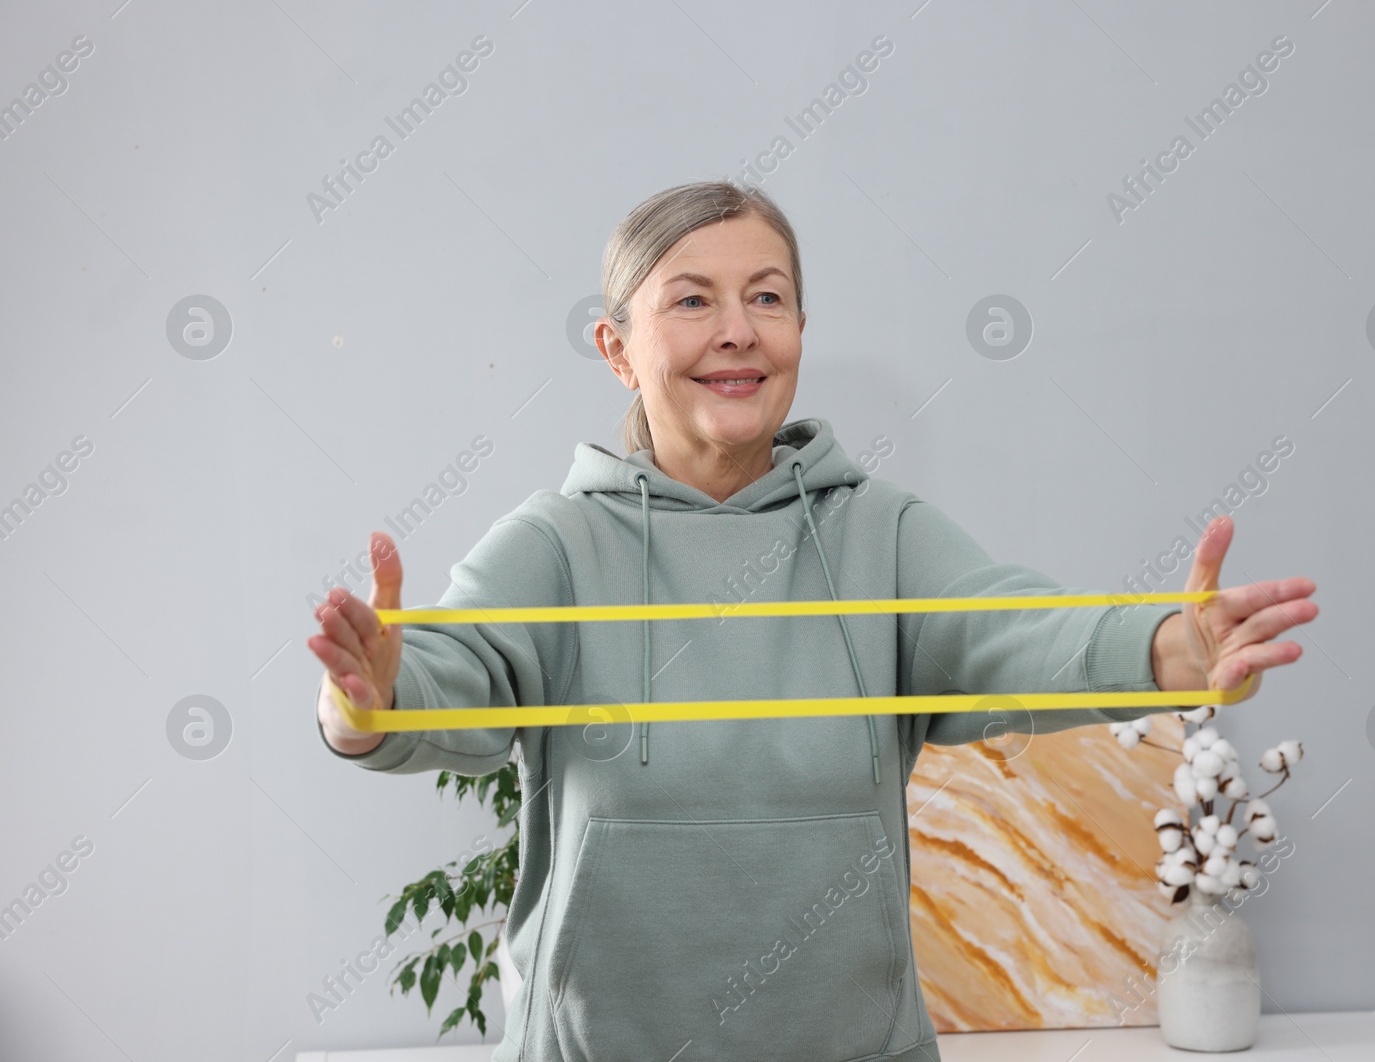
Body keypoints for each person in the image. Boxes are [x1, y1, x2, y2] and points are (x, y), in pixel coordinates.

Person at [308, 180, 1318, 1062]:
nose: (737, 329)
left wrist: (1167, 650)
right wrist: (373, 695)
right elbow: (448, 679)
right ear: (617, 348)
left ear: (798, 330)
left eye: (767, 298)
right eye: (692, 299)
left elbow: (1008, 630)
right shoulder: (553, 541)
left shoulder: (878, 530)